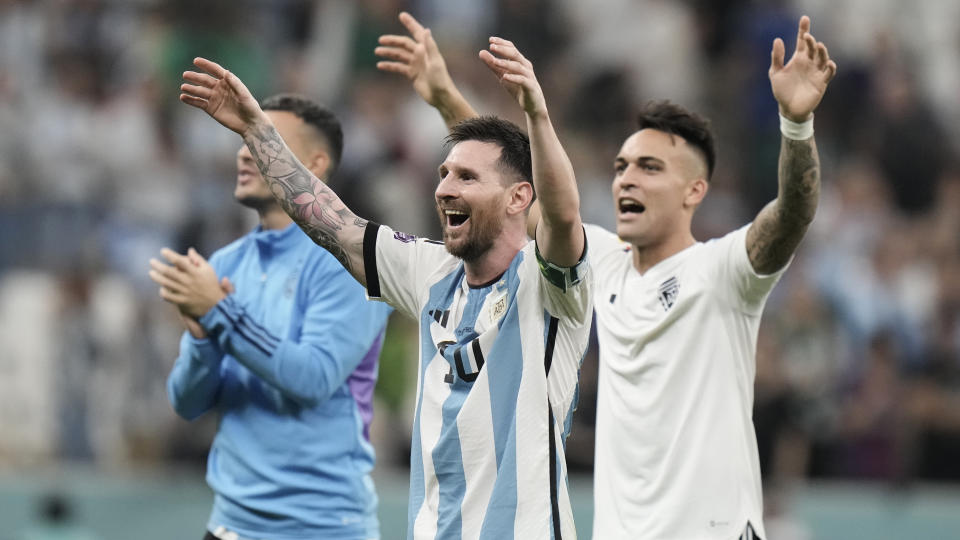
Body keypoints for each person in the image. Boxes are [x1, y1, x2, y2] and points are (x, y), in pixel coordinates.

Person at [377, 13, 837, 539]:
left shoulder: (724, 270)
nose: (626, 180)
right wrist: (445, 99)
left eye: (650, 168)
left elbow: (793, 214)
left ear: (694, 192)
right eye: (621, 167)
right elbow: (506, 190)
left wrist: (796, 126)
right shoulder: (600, 258)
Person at [179, 34, 593, 539]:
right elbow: (331, 221)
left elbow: (563, 214)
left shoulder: (550, 286)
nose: (444, 188)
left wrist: (537, 116)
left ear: (517, 198)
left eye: (466, 176)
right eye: (443, 174)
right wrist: (255, 128)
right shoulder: (430, 271)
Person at [148, 94, 392, 540]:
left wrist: (220, 312)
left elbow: (313, 378)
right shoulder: (224, 263)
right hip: (229, 526)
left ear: (313, 165)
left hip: (321, 528)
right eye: (243, 139)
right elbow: (186, 403)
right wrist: (203, 340)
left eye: (263, 140)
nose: (244, 150)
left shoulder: (353, 264)